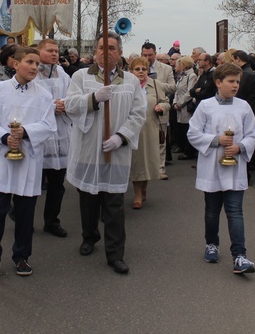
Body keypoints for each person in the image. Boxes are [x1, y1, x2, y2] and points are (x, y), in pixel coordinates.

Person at [65, 31, 147, 274]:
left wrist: (121, 137)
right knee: (88, 199)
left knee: (114, 204)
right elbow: (70, 105)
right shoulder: (81, 76)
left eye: (112, 48)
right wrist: (93, 98)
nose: (106, 52)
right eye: (102, 48)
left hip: (116, 152)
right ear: (95, 52)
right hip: (88, 150)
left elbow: (138, 113)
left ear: (120, 53)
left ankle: (115, 254)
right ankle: (89, 236)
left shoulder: (131, 81)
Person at [0, 47, 56, 280]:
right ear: (15, 63)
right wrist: (5, 137)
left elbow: (49, 125)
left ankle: (21, 255)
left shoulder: (43, 95)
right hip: (1, 159)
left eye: (37, 64)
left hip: (28, 161)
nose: (34, 67)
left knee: (24, 213)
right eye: (29, 62)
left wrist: (25, 133)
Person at [188, 63, 255, 274]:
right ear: (218, 82)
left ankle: (240, 256)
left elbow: (252, 134)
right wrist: (216, 140)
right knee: (212, 211)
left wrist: (240, 147)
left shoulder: (243, 106)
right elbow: (193, 133)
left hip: (235, 167)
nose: (235, 85)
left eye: (237, 81)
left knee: (235, 211)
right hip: (212, 167)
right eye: (231, 81)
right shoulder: (206, 106)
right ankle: (212, 243)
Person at [35, 39, 73, 237]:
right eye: (49, 50)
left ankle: (52, 221)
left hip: (60, 132)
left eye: (56, 51)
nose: (54, 54)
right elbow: (29, 101)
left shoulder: (63, 74)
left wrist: (65, 104)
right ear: (39, 51)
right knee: (33, 179)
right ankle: (21, 213)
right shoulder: (32, 73)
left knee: (57, 182)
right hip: (39, 133)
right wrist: (51, 107)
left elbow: (72, 96)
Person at [128, 57, 170, 208]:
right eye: (137, 69)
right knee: (136, 162)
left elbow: (166, 102)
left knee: (147, 162)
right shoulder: (127, 86)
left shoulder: (156, 85)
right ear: (131, 71)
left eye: (144, 69)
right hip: (133, 129)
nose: (140, 72)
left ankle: (143, 189)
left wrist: (162, 107)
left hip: (150, 128)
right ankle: (137, 194)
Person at [141, 42, 176, 179]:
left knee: (161, 141)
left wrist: (155, 84)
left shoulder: (166, 69)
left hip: (159, 108)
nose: (148, 57)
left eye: (150, 55)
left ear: (155, 54)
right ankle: (145, 166)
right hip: (142, 111)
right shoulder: (137, 67)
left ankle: (160, 169)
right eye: (145, 55)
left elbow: (173, 87)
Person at [173, 56, 198, 160]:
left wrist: (179, 103)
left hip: (185, 106)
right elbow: (177, 90)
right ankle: (183, 148)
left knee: (187, 128)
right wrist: (175, 102)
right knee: (181, 128)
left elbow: (189, 92)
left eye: (180, 64)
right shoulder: (182, 76)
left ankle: (189, 151)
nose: (178, 66)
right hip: (179, 106)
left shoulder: (191, 76)